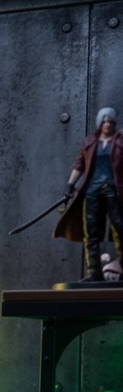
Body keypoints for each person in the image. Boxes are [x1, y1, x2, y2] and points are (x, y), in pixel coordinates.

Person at [56, 107, 123, 281]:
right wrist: (70, 185)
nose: (107, 124)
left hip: (113, 190)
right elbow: (79, 165)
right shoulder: (89, 142)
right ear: (100, 123)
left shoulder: (120, 141)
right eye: (105, 121)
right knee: (91, 232)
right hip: (92, 191)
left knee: (120, 227)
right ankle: (94, 271)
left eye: (111, 122)